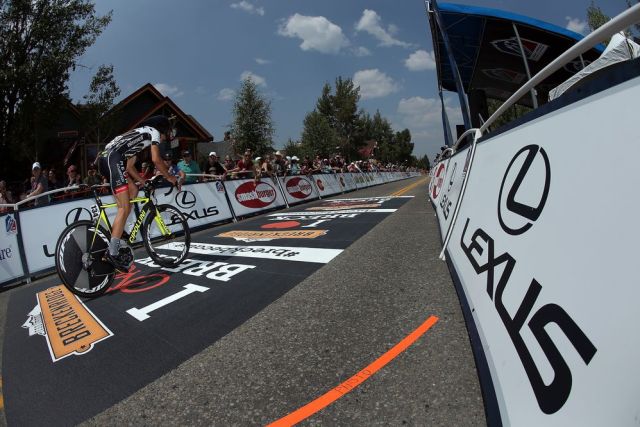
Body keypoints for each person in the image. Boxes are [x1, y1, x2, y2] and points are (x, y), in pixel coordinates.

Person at [97, 115, 180, 270]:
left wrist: (144, 182)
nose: (163, 139)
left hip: (107, 159)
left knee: (133, 190)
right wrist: (170, 177)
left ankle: (116, 235)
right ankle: (112, 252)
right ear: (162, 130)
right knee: (125, 207)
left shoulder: (137, 137)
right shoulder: (153, 132)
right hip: (112, 159)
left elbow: (128, 167)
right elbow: (156, 159)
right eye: (166, 134)